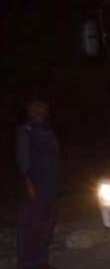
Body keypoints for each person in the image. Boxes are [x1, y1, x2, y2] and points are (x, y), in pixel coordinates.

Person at [16, 93, 60, 269]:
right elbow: (23, 158)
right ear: (29, 109)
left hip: (51, 183)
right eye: (36, 107)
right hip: (34, 184)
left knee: (46, 225)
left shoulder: (48, 129)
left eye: (42, 107)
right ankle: (27, 263)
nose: (40, 110)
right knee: (30, 225)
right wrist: (28, 183)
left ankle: (41, 262)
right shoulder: (26, 130)